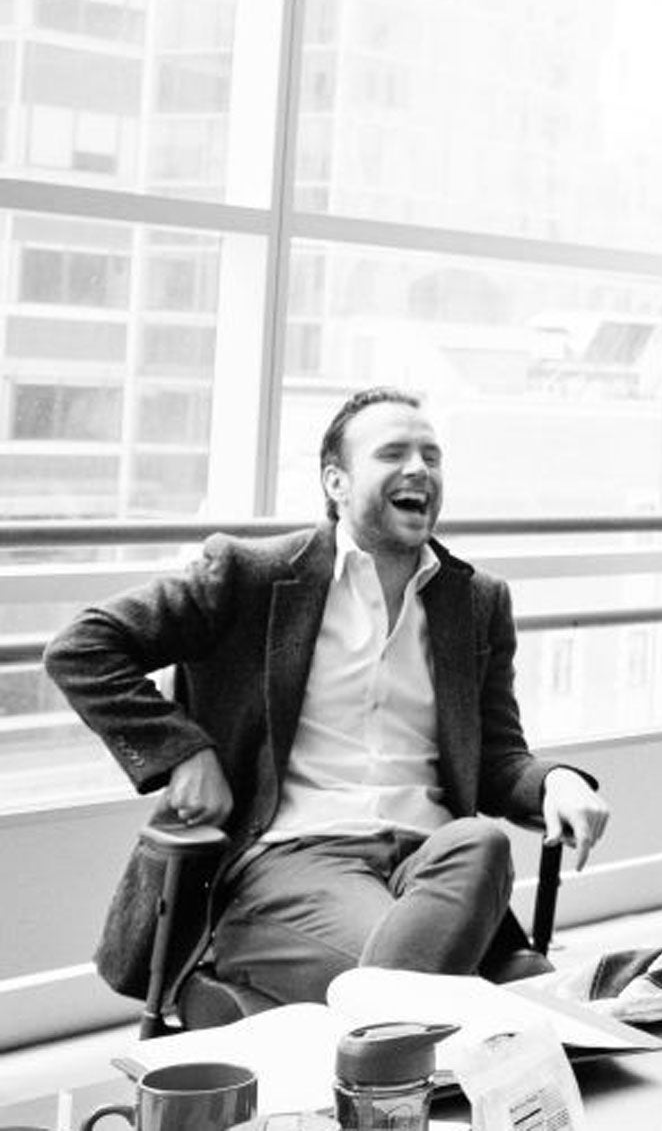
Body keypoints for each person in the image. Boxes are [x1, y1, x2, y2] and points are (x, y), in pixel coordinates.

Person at [45, 386, 611, 1007]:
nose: (419, 469)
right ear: (336, 481)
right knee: (507, 996)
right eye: (393, 453)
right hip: (294, 861)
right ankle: (439, 1001)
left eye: (432, 455)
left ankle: (401, 1013)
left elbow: (498, 759)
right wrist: (183, 751)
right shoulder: (250, 575)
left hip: (433, 863)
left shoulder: (475, 602)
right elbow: (83, 646)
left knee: (485, 843)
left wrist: (556, 782)